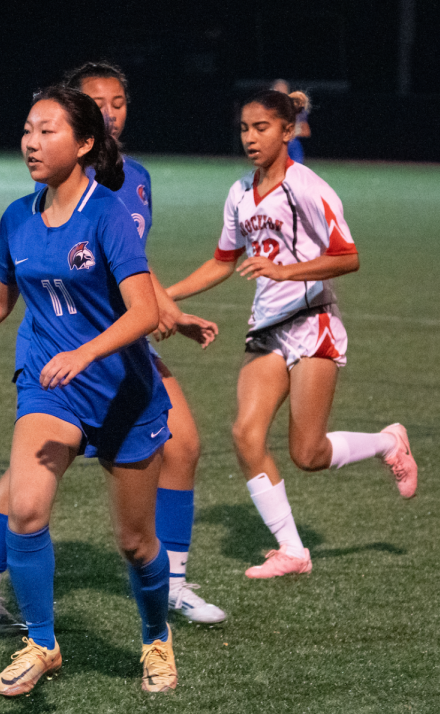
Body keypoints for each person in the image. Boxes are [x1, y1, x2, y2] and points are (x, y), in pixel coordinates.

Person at [0, 85, 179, 694]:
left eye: (48, 131)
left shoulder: (108, 213)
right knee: (26, 510)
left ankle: (156, 638)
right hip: (48, 386)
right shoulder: (16, 217)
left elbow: (142, 313)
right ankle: (42, 642)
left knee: (136, 543)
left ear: (85, 144)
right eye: (28, 129)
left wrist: (83, 353)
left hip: (120, 393)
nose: (31, 142)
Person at [0, 61, 227, 630]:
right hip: (65, 347)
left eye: (118, 101)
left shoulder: (135, 179)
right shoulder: (53, 194)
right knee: (32, 473)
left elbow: (131, 267)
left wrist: (168, 313)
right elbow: (38, 277)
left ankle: (168, 583)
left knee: (183, 445)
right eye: (96, 101)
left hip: (111, 338)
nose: (110, 110)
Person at [166, 89, 418, 579]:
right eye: (244, 128)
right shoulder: (240, 192)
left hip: (313, 323)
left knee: (308, 453)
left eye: (261, 128)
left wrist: (286, 273)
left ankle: (388, 442)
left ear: (288, 131)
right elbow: (223, 262)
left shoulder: (308, 188)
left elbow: (348, 257)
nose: (250, 137)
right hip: (267, 329)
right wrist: (161, 297)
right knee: (245, 434)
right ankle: (292, 551)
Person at [271, 80, 310, 163]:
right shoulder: (266, 109)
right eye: (277, 89)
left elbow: (306, 132)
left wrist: (294, 132)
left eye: (283, 90)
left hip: (292, 146)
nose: (280, 92)